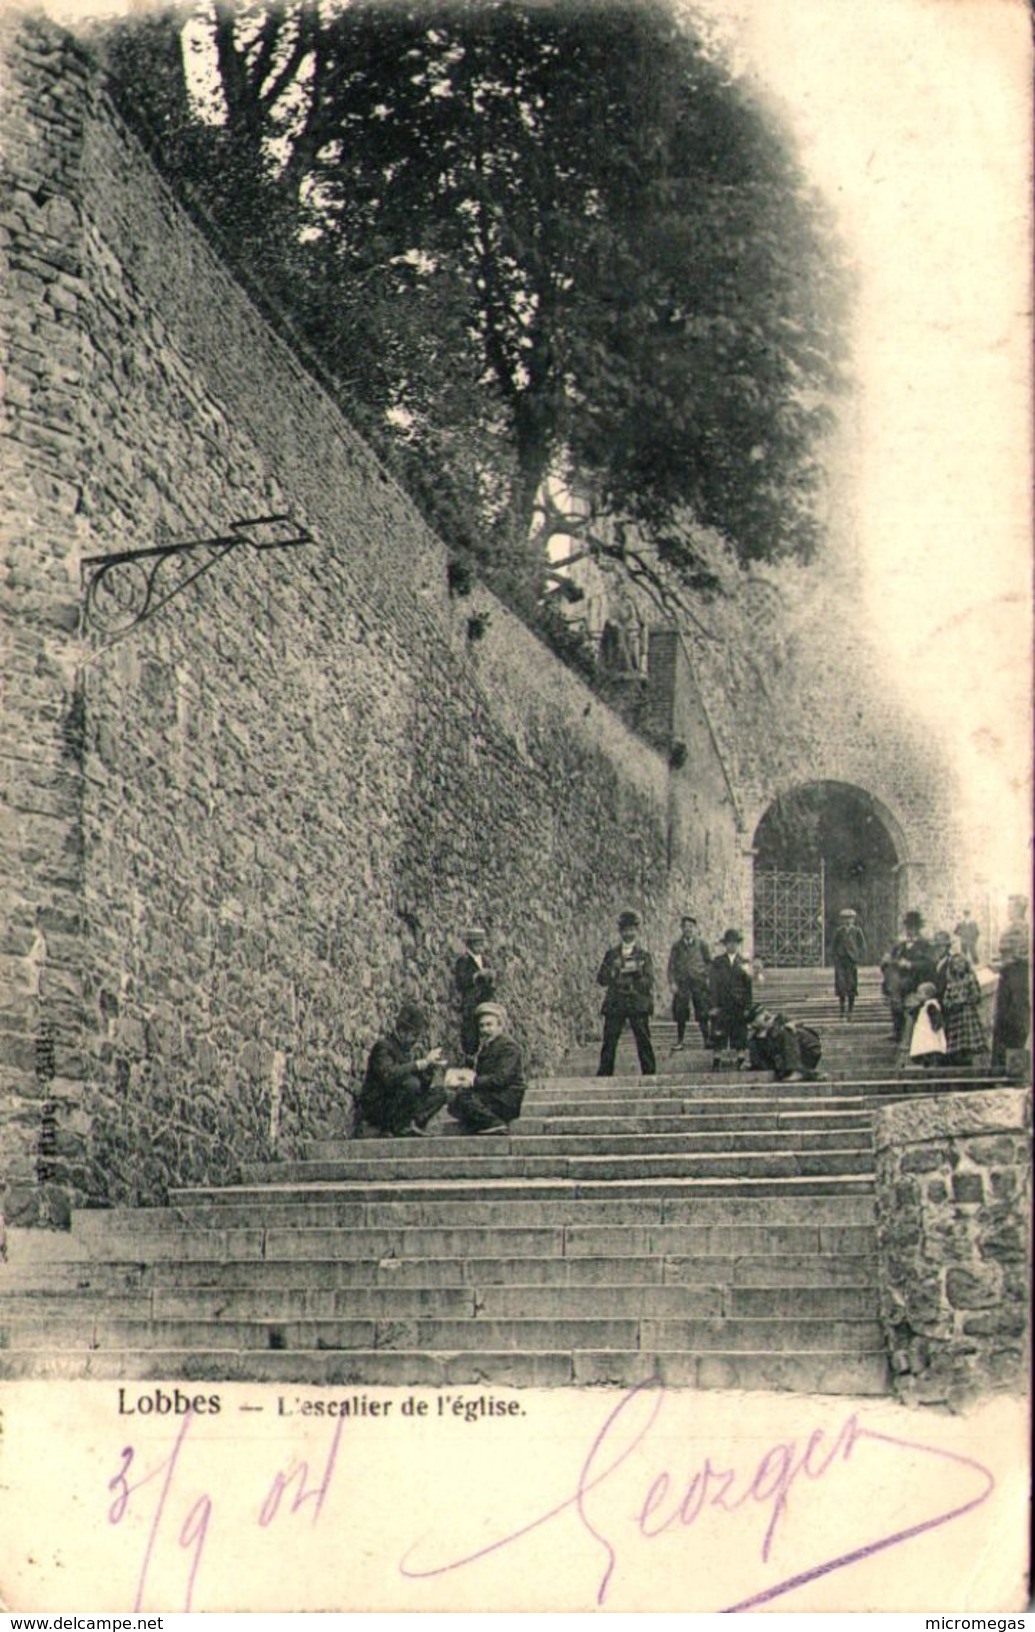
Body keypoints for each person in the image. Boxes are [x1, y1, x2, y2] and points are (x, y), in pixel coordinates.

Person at [359, 1002, 448, 1137]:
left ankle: (409, 1124)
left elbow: (420, 1088)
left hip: (402, 1105)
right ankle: (392, 1127)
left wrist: (429, 1069)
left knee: (441, 1093)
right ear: (402, 1031)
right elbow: (388, 1075)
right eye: (414, 1035)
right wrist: (419, 1064)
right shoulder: (383, 1046)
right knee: (411, 1084)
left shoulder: (408, 1050)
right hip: (379, 1106)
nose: (415, 1040)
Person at [448, 1002, 526, 1134]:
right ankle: (483, 1123)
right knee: (454, 1103)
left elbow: (502, 1078)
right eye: (481, 1026)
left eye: (489, 1025)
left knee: (463, 1100)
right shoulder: (488, 1047)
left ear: (500, 1026)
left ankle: (495, 1123)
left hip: (505, 1098)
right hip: (491, 1094)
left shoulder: (509, 1047)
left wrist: (473, 1082)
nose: (484, 1030)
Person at [596, 911, 657, 1076]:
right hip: (616, 1001)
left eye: (632, 929)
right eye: (625, 930)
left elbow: (649, 980)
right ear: (620, 932)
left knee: (643, 1039)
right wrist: (614, 972)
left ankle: (649, 1074)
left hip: (637, 1002)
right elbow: (601, 979)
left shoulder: (644, 956)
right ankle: (604, 1075)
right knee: (609, 1040)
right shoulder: (611, 955)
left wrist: (635, 979)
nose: (628, 933)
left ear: (637, 931)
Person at [881, 910, 936, 1042]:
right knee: (894, 985)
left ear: (918, 928)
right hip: (899, 980)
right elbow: (890, 962)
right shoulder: (900, 945)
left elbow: (930, 964)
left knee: (895, 990)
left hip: (917, 979)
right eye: (908, 927)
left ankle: (900, 1026)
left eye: (913, 927)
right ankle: (898, 1030)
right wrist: (886, 961)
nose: (910, 930)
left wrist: (910, 964)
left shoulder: (925, 945)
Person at [991, 907, 1031, 1070]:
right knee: (1003, 1017)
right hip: (1007, 975)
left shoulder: (1022, 928)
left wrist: (1005, 962)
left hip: (1016, 974)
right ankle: (1002, 1062)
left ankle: (1013, 1062)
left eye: (1012, 907)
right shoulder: (1012, 928)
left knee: (1015, 1016)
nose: (1009, 910)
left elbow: (1020, 955)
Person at [708, 928, 753, 1070]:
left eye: (734, 943)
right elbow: (713, 984)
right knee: (719, 1032)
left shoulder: (744, 962)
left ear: (738, 944)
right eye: (729, 943)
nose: (732, 946)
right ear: (725, 945)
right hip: (722, 1003)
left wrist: (747, 1006)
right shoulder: (718, 962)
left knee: (739, 1032)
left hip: (738, 1003)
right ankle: (717, 1060)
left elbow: (748, 986)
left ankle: (740, 1059)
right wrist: (713, 1005)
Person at [666, 913, 712, 1047]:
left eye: (691, 926)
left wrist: (705, 976)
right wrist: (672, 982)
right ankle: (680, 1041)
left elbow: (709, 963)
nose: (688, 929)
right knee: (680, 1011)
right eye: (685, 926)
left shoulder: (702, 945)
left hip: (698, 982)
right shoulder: (677, 946)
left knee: (702, 1011)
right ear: (681, 929)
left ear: (695, 928)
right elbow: (671, 965)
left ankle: (706, 1039)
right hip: (682, 983)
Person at [748, 1007, 823, 1081]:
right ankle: (811, 1074)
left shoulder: (780, 1019)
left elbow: (799, 1021)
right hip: (795, 1057)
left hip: (808, 1047)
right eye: (760, 1014)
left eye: (764, 1011)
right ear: (753, 1023)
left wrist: (792, 1024)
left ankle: (796, 1071)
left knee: (786, 1030)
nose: (766, 1014)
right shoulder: (754, 1042)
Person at [454, 925, 496, 1059]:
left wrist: (491, 978)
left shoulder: (485, 960)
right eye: (477, 943)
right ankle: (470, 1060)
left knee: (487, 1031)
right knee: (471, 1035)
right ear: (470, 944)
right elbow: (461, 982)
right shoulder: (464, 961)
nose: (480, 947)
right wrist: (476, 976)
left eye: (481, 943)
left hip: (485, 1002)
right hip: (471, 1004)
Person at [940, 951, 987, 1066]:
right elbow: (946, 1000)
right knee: (957, 1042)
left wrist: (965, 1000)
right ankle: (958, 1060)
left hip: (967, 1014)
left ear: (966, 965)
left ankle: (970, 1059)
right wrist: (952, 1004)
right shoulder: (950, 983)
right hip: (955, 1016)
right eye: (956, 964)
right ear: (952, 967)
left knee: (969, 1040)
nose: (959, 966)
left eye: (961, 963)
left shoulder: (970, 978)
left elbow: (976, 995)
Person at [831, 907, 867, 1020]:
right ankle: (842, 1010)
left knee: (851, 985)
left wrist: (858, 957)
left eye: (850, 918)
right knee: (841, 986)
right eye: (845, 918)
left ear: (854, 920)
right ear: (842, 920)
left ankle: (850, 1011)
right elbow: (833, 946)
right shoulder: (839, 931)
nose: (848, 921)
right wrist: (836, 957)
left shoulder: (857, 931)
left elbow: (862, 946)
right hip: (841, 962)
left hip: (851, 961)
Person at [908, 982, 947, 1067]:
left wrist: (936, 1025)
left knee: (930, 1046)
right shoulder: (924, 1006)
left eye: (920, 993)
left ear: (928, 995)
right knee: (925, 1047)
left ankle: (932, 1063)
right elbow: (915, 1011)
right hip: (923, 1032)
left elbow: (936, 1016)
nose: (917, 996)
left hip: (929, 1032)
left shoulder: (931, 1005)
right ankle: (926, 1063)